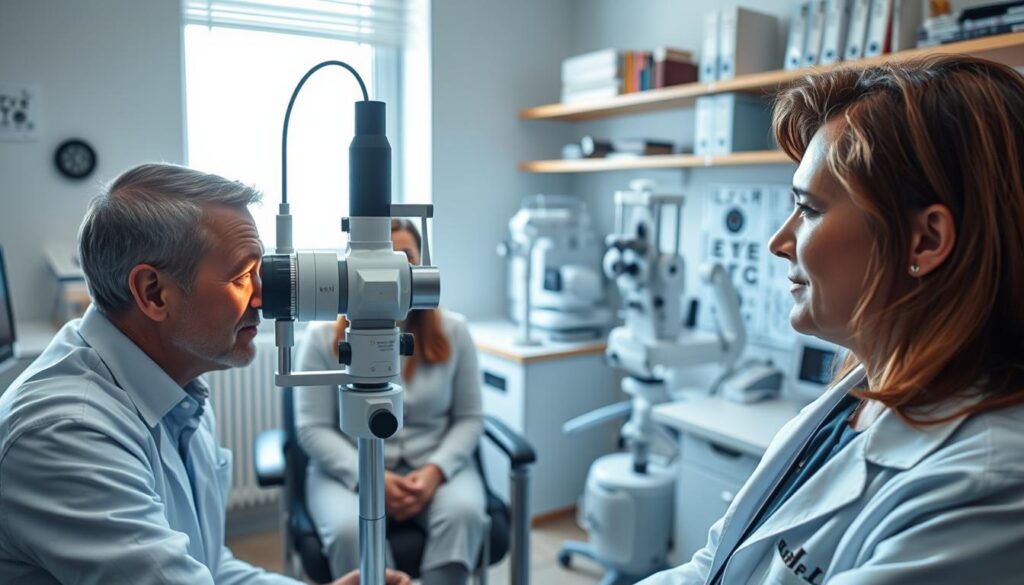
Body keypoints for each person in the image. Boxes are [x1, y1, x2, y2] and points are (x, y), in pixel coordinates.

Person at [642, 55, 1024, 584]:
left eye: (810, 209)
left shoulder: (985, 486)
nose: (779, 242)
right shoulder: (855, 398)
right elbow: (714, 566)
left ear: (926, 240)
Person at [0, 164, 410, 585]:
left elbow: (209, 565)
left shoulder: (178, 389)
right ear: (153, 293)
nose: (264, 298)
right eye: (242, 276)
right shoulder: (66, 435)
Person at [294, 218, 486, 585]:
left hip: (431, 462)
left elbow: (470, 417)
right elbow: (312, 428)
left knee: (464, 514)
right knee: (351, 530)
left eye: (405, 258)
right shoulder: (319, 339)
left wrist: (435, 471)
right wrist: (370, 478)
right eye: (382, 259)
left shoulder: (455, 331)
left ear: (422, 267)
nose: (390, 273)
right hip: (349, 467)